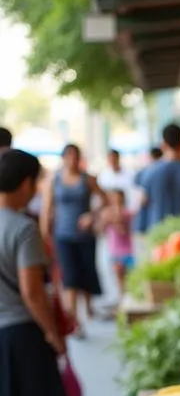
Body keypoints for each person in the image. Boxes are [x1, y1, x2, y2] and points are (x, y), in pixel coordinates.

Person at [0, 150, 73, 396]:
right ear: (27, 183)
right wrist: (53, 334)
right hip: (23, 336)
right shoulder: (24, 229)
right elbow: (32, 292)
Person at [41, 144, 105, 336]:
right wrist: (45, 237)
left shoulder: (87, 179)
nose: (72, 160)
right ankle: (74, 320)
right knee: (69, 277)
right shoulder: (54, 180)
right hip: (63, 235)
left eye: (75, 156)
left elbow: (104, 199)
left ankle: (88, 306)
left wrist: (91, 216)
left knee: (86, 271)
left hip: (85, 235)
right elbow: (47, 209)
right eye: (68, 156)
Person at [98, 190, 134, 298]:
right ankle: (122, 298)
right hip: (115, 251)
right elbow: (101, 230)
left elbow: (126, 230)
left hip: (127, 251)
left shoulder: (127, 213)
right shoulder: (106, 214)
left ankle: (128, 297)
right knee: (119, 278)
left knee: (129, 277)